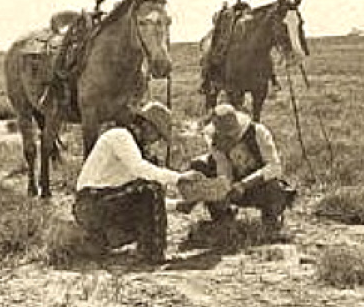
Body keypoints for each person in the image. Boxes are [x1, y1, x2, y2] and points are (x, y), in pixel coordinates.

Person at [74, 101, 197, 263]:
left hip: (101, 204)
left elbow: (138, 198)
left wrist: (176, 206)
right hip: (91, 205)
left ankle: (102, 240)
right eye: (157, 135)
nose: (155, 141)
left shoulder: (133, 147)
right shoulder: (120, 136)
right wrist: (178, 178)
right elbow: (141, 171)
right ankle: (151, 252)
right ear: (147, 126)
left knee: (149, 188)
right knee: (151, 186)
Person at [179, 103, 297, 238]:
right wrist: (222, 192)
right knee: (200, 165)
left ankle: (271, 220)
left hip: (258, 185)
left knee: (274, 187)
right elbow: (224, 172)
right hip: (236, 189)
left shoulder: (258, 132)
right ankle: (223, 218)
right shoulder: (217, 144)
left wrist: (244, 184)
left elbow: (274, 167)